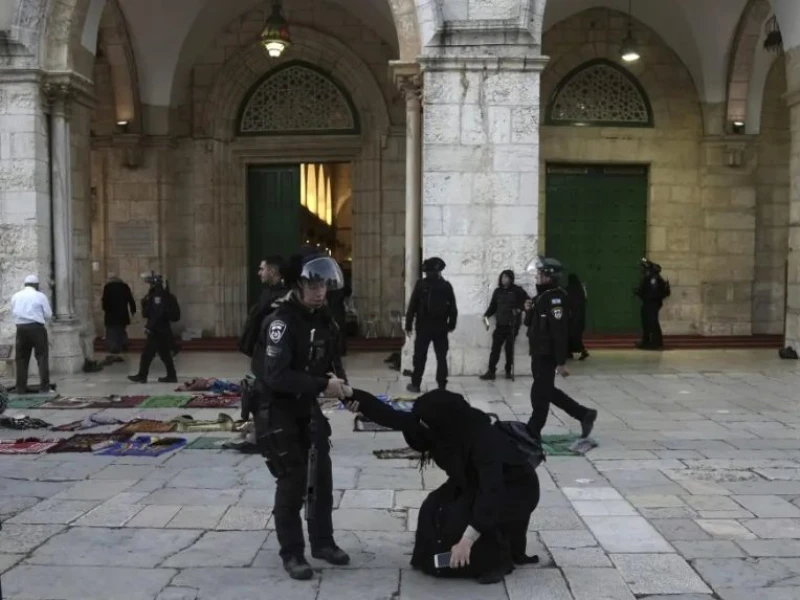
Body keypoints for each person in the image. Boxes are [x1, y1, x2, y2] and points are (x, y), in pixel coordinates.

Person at [342, 388, 541, 584]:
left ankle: (497, 561)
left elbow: (491, 491)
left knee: (463, 519)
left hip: (514, 490)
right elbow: (390, 416)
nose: (419, 426)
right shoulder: (438, 425)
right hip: (470, 480)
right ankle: (434, 557)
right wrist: (348, 392)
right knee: (432, 506)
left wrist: (467, 540)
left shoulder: (483, 439)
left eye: (423, 423)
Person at [253, 247, 351, 580]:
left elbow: (333, 360)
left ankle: (322, 543)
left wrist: (345, 389)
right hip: (278, 409)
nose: (320, 291)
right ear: (298, 285)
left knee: (321, 478)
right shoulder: (281, 322)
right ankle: (292, 553)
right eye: (313, 285)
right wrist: (324, 385)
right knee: (293, 482)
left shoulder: (324, 318)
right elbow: (275, 376)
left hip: (307, 407)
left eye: (323, 284)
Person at [523, 257, 597, 439]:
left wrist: (561, 362)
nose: (536, 277)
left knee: (540, 392)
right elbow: (530, 324)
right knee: (545, 390)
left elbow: (559, 332)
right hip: (538, 351)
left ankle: (533, 430)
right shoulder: (541, 296)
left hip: (547, 353)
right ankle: (583, 414)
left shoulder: (556, 298)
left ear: (549, 277)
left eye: (539, 274)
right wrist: (529, 310)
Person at [405, 257, 457, 393]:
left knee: (420, 357)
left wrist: (408, 325)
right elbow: (453, 308)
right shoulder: (446, 286)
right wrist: (451, 325)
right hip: (440, 327)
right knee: (441, 357)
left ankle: (416, 384)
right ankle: (441, 386)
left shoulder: (421, 284)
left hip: (424, 327)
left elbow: (412, 306)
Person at [128, 273, 180, 384]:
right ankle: (171, 376)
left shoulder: (157, 295)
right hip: (163, 329)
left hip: (157, 330)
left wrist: (149, 327)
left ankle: (142, 376)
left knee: (147, 354)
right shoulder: (165, 295)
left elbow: (157, 313)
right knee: (165, 354)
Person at [479, 270, 528, 380]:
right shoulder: (498, 291)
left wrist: (519, 309)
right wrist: (486, 315)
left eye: (506, 277)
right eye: (502, 277)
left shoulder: (517, 290)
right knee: (495, 349)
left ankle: (508, 371)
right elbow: (493, 306)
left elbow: (528, 301)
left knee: (509, 349)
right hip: (500, 325)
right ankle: (491, 372)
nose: (503, 279)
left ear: (511, 279)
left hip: (512, 325)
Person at [9, 275, 52, 394]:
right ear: (36, 285)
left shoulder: (16, 296)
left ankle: (21, 387)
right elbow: (48, 314)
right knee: (42, 357)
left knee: (21, 359)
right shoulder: (40, 296)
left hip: (21, 329)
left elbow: (13, 312)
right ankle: (44, 387)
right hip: (36, 328)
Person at [239, 256, 288, 358]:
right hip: (260, 350)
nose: (259, 273)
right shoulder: (266, 293)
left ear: (271, 271)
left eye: (262, 269)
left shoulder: (286, 295)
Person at [634, 258, 670, 350]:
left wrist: (642, 294)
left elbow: (653, 293)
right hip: (648, 303)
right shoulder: (649, 277)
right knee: (646, 322)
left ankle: (655, 343)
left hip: (652, 303)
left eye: (644, 268)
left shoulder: (653, 278)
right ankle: (646, 342)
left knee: (652, 322)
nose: (642, 270)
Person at [101, 274, 136, 359]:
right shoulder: (125, 287)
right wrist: (133, 310)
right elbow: (130, 299)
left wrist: (105, 308)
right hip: (122, 314)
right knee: (121, 329)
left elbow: (105, 300)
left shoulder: (107, 287)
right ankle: (124, 344)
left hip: (111, 313)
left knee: (112, 331)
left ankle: (114, 348)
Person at [565, 273, 589, 361]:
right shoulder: (580, 291)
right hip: (579, 318)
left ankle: (582, 351)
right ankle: (569, 353)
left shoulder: (568, 290)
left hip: (571, 319)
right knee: (575, 337)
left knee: (571, 337)